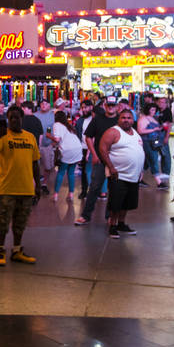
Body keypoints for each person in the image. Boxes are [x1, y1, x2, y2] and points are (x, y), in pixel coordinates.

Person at [0, 105, 39, 266]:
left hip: (25, 187)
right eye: (10, 117)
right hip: (6, 188)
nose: (13, 120)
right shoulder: (2, 136)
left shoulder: (30, 137)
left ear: (21, 119)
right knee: (2, 222)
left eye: (16, 117)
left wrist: (38, 185)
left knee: (20, 222)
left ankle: (17, 250)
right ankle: (0, 250)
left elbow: (35, 163)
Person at [100, 108, 145, 239]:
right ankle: (112, 226)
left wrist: (140, 169)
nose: (126, 120)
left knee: (126, 203)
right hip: (118, 175)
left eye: (129, 118)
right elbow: (102, 149)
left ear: (133, 120)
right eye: (123, 118)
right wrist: (111, 167)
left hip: (133, 175)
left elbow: (139, 151)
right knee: (116, 203)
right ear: (118, 119)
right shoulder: (113, 131)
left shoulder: (135, 133)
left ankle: (121, 223)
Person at [75, 95, 119, 226]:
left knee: (115, 189)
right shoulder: (98, 120)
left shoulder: (120, 120)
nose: (110, 108)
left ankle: (110, 216)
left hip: (116, 160)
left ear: (116, 106)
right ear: (105, 106)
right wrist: (94, 154)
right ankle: (86, 215)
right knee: (94, 187)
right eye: (108, 105)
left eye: (113, 105)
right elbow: (88, 137)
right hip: (100, 159)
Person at [50, 110, 82, 203]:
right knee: (71, 173)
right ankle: (71, 194)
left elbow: (57, 139)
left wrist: (49, 136)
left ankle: (56, 195)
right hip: (77, 149)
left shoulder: (56, 125)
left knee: (61, 172)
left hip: (67, 150)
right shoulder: (69, 126)